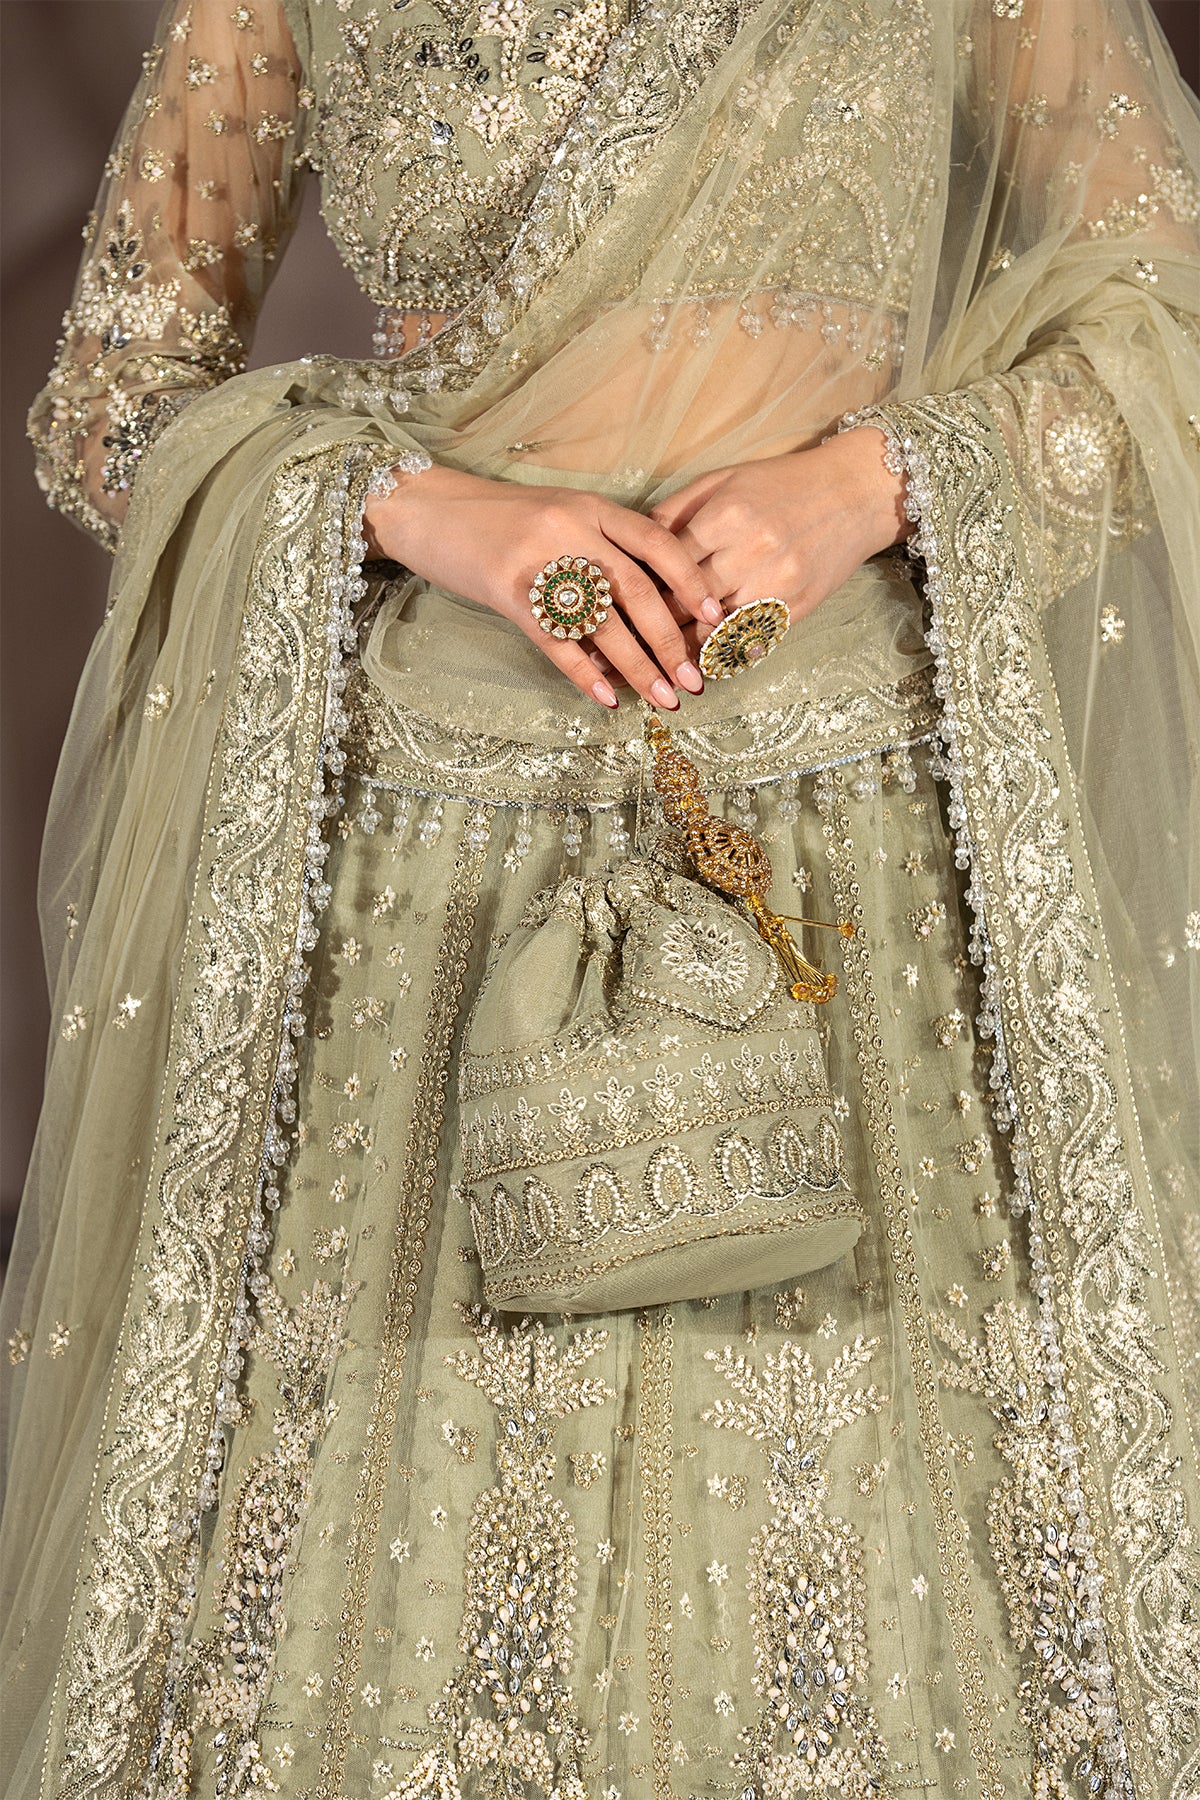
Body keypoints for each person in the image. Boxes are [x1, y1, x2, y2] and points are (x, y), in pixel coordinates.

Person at [2, 0, 1198, 1792]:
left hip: (854, 856)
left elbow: (1169, 316)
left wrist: (871, 482)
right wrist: (429, 512)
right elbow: (111, 398)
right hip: (423, 875)